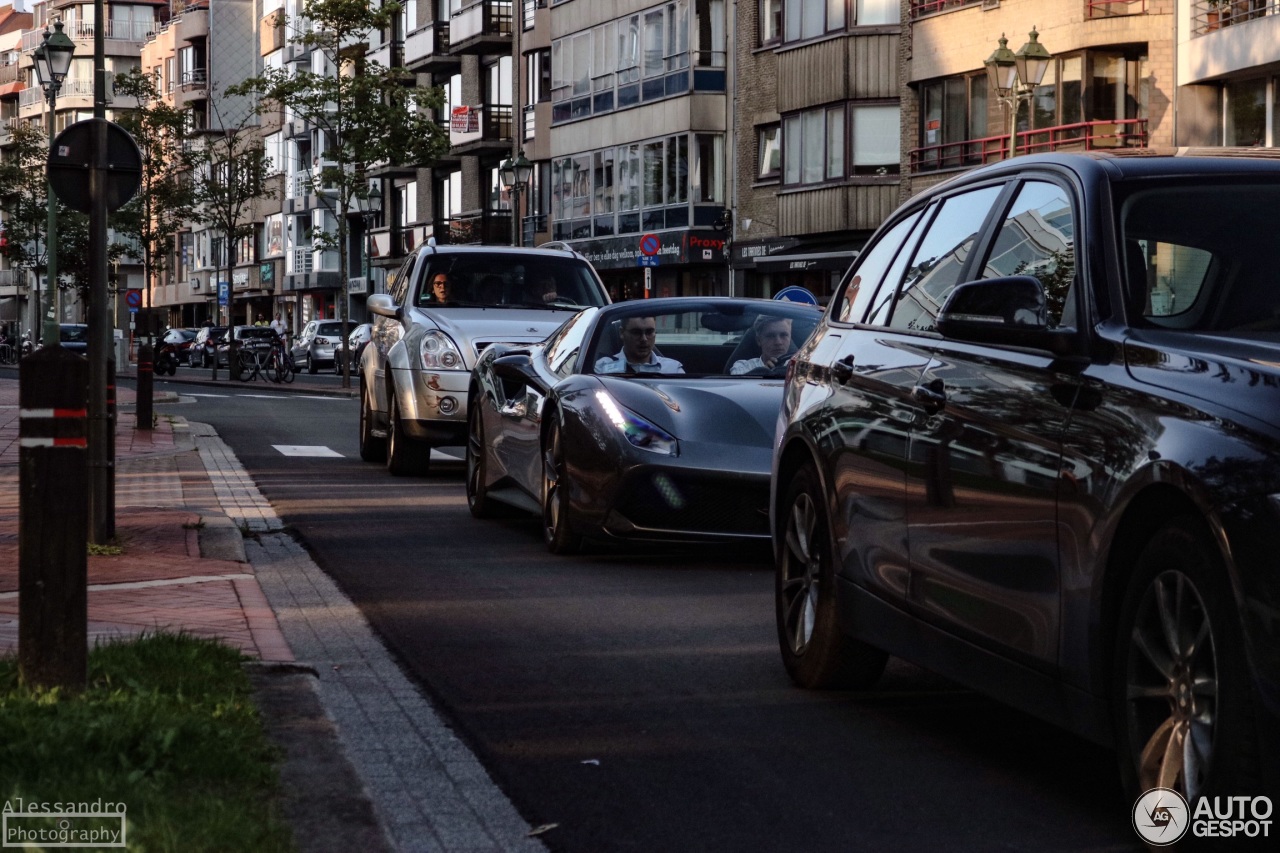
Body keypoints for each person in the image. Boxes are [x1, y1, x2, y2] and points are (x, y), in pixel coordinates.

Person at [595, 316, 684, 375]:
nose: (644, 339)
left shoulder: (673, 369)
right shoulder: (602, 367)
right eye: (636, 333)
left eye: (649, 332)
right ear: (622, 333)